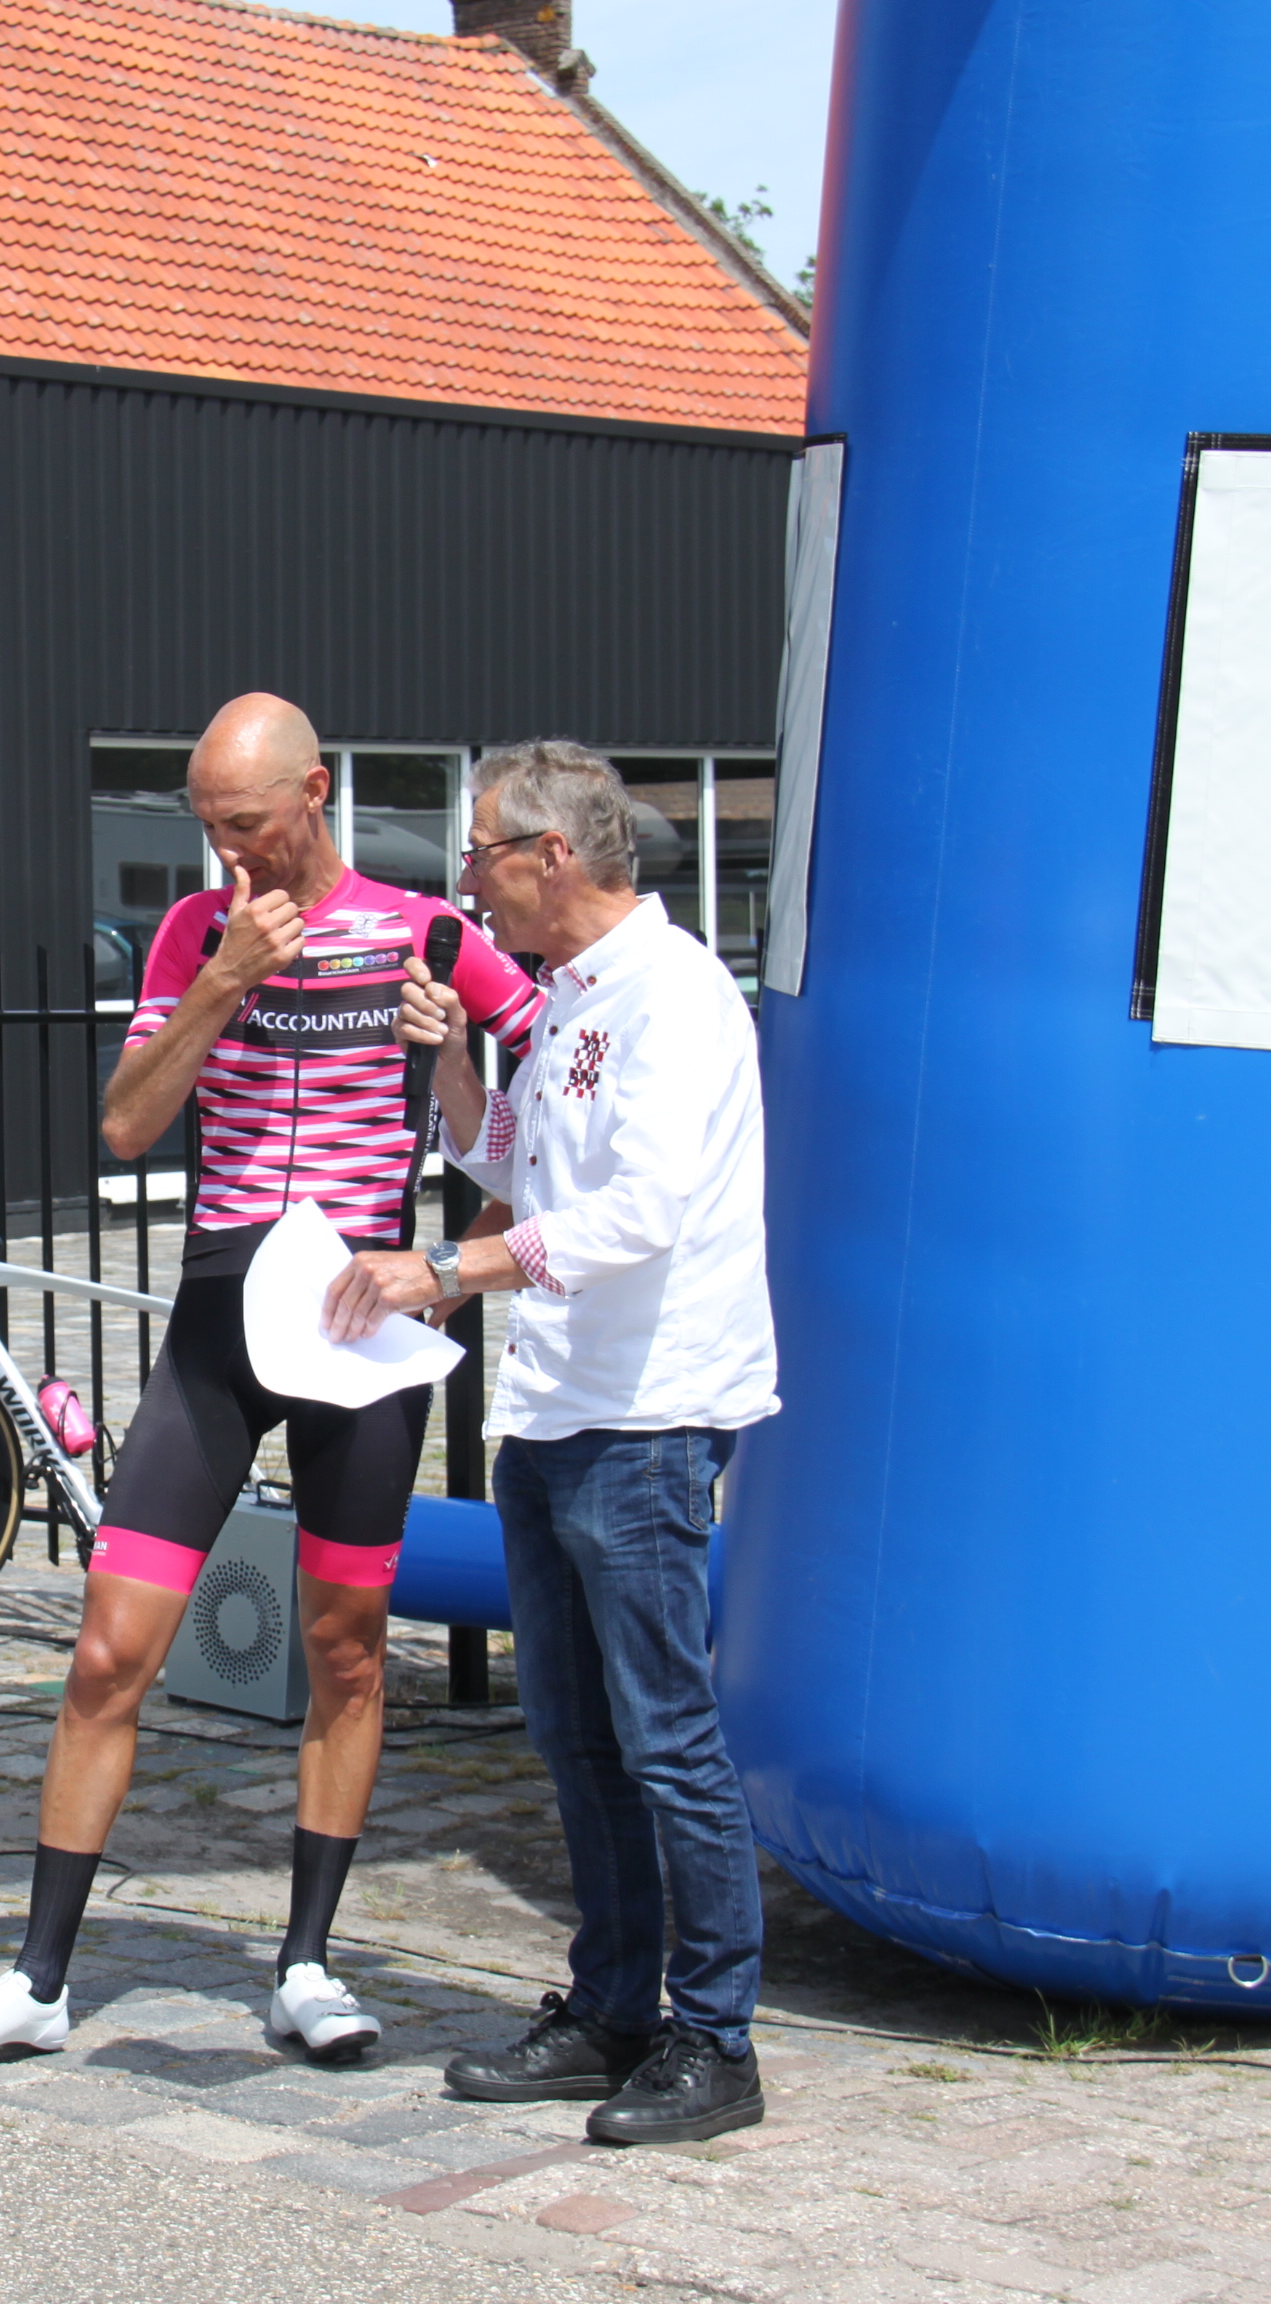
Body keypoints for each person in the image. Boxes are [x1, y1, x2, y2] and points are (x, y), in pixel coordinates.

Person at [0, 693, 542, 2068]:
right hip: (218, 1312)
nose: (226, 857)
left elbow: (557, 1101)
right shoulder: (197, 932)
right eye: (205, 829)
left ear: (314, 793)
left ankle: (306, 1963)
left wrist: (462, 1160)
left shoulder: (431, 930)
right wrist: (219, 983)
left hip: (361, 1321)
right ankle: (37, 1978)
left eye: (245, 825)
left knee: (345, 1651)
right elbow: (128, 1124)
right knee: (107, 1651)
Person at [321, 738, 779, 2146]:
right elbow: (514, 1164)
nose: (465, 880)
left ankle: (716, 2040)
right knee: (575, 1737)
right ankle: (613, 2006)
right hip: (556, 1409)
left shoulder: (674, 997)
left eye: (481, 852)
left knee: (666, 1740)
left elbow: (637, 1215)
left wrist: (448, 1275)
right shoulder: (566, 1002)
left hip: (647, 1417)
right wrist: (456, 1069)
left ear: (553, 858)